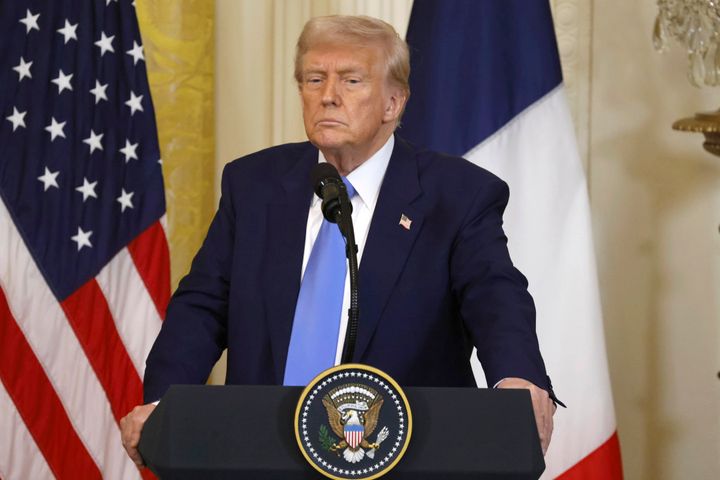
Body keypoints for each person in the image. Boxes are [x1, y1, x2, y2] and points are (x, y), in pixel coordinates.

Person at [120, 14, 559, 467]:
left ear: (393, 102)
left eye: (351, 81)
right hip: (258, 452)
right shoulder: (254, 185)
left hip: (404, 454)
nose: (328, 96)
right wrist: (163, 401)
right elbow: (203, 306)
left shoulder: (458, 195)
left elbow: (494, 296)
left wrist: (516, 376)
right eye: (314, 79)